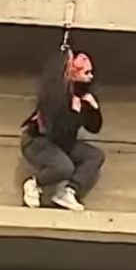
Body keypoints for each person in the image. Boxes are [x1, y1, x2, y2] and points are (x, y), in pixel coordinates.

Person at [20, 45, 105, 211]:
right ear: (73, 73)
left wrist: (93, 109)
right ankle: (34, 184)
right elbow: (59, 128)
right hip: (37, 141)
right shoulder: (57, 95)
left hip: (60, 141)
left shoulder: (81, 97)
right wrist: (76, 111)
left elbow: (94, 127)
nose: (91, 77)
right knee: (64, 167)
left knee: (94, 156)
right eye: (86, 73)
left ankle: (69, 192)